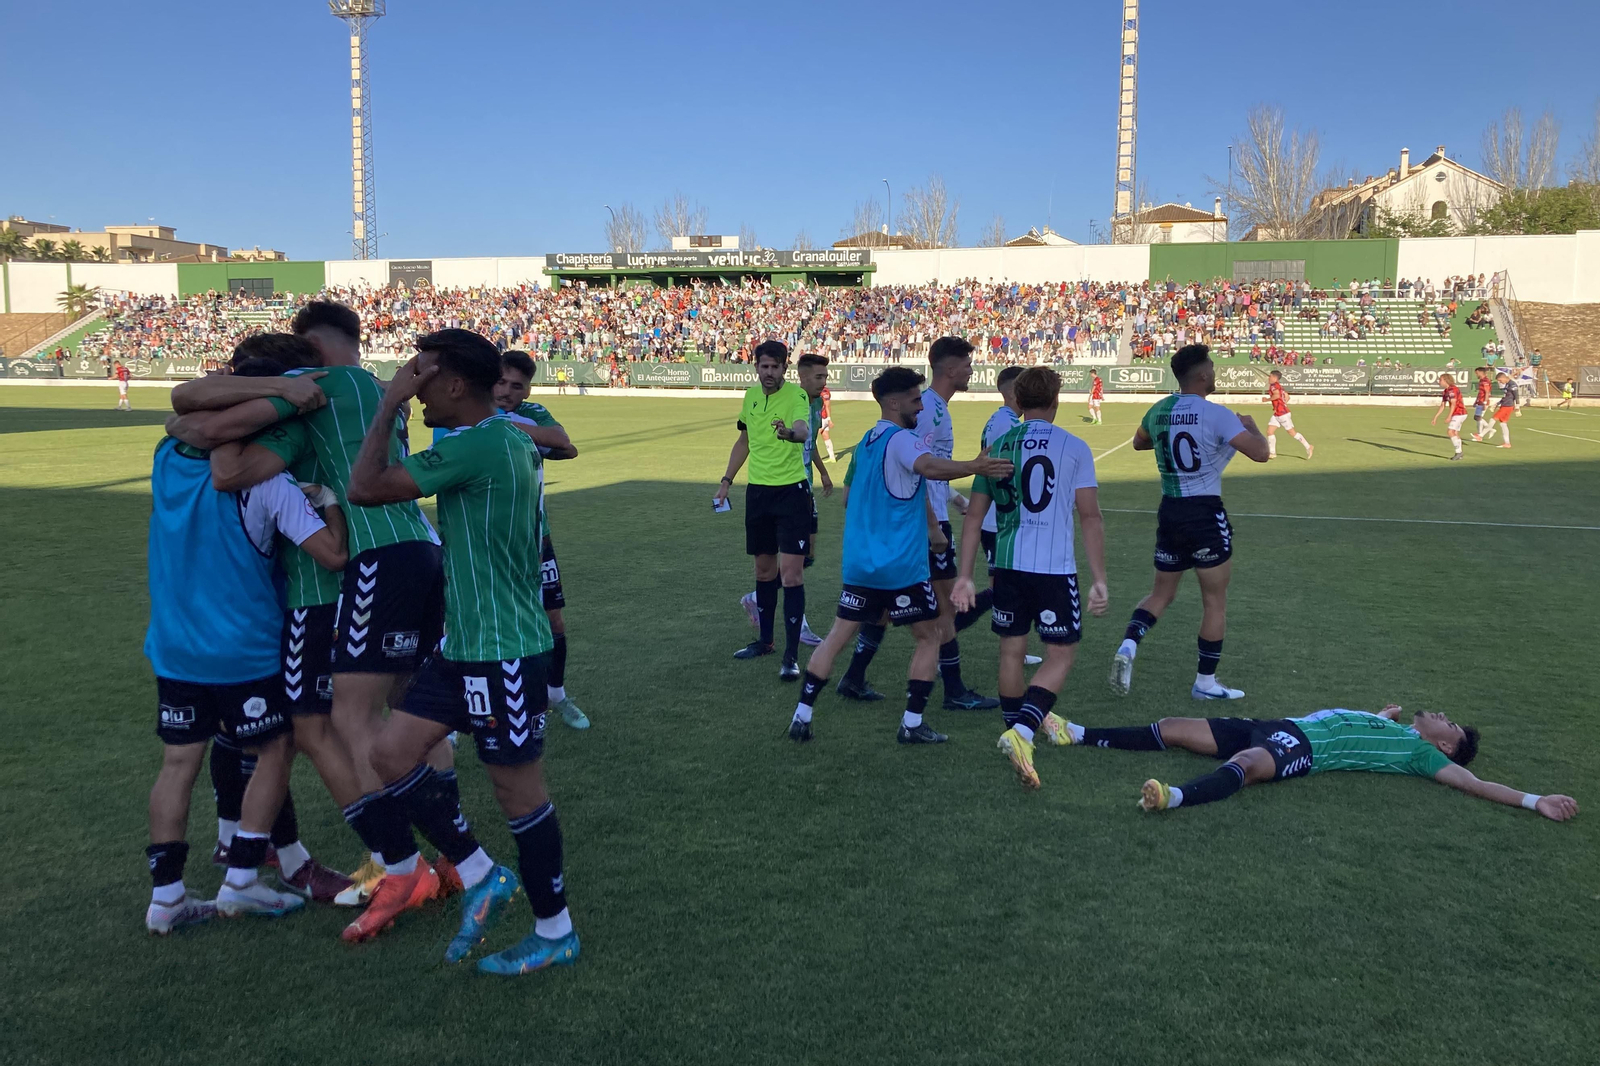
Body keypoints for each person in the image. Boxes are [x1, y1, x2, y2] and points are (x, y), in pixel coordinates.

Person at [163, 302, 485, 933]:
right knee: (412, 712)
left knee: (323, 726)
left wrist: (211, 414)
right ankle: (445, 854)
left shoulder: (320, 391)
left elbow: (221, 457)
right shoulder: (368, 393)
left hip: (336, 579)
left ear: (309, 347)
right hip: (420, 549)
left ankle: (398, 861)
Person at [345, 328, 580, 975]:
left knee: (518, 794)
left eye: (422, 376)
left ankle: (555, 930)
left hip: (503, 651)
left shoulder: (479, 444)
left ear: (452, 383)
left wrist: (387, 404)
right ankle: (481, 874)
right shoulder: (500, 437)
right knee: (390, 753)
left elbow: (364, 487)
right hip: (466, 646)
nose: (415, 388)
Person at [143, 366, 350, 933]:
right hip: (246, 647)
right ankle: (241, 882)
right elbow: (332, 554)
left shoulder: (166, 457)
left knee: (178, 763)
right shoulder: (269, 483)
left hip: (174, 645)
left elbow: (184, 412)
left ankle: (166, 899)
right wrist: (330, 500)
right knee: (276, 750)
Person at [785, 366, 1012, 745]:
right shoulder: (903, 441)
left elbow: (850, 495)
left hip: (860, 564)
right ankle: (911, 724)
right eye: (914, 399)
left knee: (837, 636)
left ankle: (802, 715)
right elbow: (928, 466)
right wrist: (972, 467)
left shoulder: (867, 441)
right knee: (930, 637)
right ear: (893, 402)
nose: (921, 406)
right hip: (900, 568)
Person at [951, 367, 1109, 789]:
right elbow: (1090, 516)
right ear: (1056, 400)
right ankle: (1022, 732)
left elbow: (974, 520)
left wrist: (965, 576)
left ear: (1017, 401)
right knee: (1060, 655)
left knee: (1011, 652)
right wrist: (1099, 577)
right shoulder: (1074, 446)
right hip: (1053, 567)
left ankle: (1015, 729)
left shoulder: (998, 445)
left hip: (1005, 563)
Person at [835, 336, 999, 710]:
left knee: (883, 606)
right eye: (968, 365)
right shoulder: (927, 411)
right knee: (944, 608)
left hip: (930, 516)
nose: (972, 371)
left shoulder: (934, 408)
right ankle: (954, 691)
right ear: (950, 369)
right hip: (924, 524)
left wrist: (955, 498)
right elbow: (916, 470)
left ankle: (853, 677)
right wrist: (931, 524)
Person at [1057, 705, 1577, 822]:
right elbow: (1359, 730)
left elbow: (1475, 783)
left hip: (1301, 750)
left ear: (1444, 747)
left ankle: (1172, 797)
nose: (1444, 716)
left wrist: (1536, 801)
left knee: (1246, 762)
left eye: (1452, 726)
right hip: (1282, 723)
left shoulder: (1420, 755)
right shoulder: (1399, 730)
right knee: (1173, 727)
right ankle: (1075, 734)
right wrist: (1381, 715)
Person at [1109, 344, 1269, 701]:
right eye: (1212, 366)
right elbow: (1261, 453)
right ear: (1201, 375)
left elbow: (1139, 443)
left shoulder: (1159, 409)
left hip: (1170, 511)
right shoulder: (1218, 414)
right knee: (1214, 601)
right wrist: (1254, 429)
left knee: (1160, 593)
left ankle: (1129, 644)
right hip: (1203, 513)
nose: (1215, 371)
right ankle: (1205, 683)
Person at [495, 352, 590, 729]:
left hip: (535, 536)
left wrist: (510, 425)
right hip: (484, 539)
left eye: (516, 386)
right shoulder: (468, 412)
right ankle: (455, 718)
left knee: (553, 621)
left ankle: (555, 695)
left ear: (527, 389)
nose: (505, 391)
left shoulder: (529, 413)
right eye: (500, 382)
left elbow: (566, 445)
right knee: (468, 623)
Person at [714, 340, 812, 680]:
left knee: (792, 574)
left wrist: (789, 434)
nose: (769, 372)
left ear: (785, 367)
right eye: (763, 366)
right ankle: (766, 641)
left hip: (791, 494)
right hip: (758, 494)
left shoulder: (796, 396)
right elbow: (744, 441)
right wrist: (727, 480)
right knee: (764, 571)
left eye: (775, 366)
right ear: (756, 367)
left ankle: (791, 654)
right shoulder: (751, 396)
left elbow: (802, 429)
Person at [740, 353, 831, 646]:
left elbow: (809, 440)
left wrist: (824, 473)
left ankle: (758, 597)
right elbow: (794, 435)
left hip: (802, 487)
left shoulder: (814, 403)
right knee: (793, 564)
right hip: (784, 487)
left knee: (807, 556)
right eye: (819, 377)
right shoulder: (789, 399)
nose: (824, 382)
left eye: (825, 376)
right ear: (801, 377)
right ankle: (798, 625)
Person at [1264, 371, 1312, 460]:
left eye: (1270, 376)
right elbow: (1287, 396)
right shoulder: (1279, 386)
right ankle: (1272, 453)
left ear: (1274, 378)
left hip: (1283, 414)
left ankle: (1308, 446)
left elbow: (1277, 395)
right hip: (1278, 413)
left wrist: (1267, 399)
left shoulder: (1274, 386)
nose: (1268, 378)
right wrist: (1281, 405)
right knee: (1270, 431)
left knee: (1292, 433)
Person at [1431, 372, 1469, 461]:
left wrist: (1449, 416)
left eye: (1440, 380)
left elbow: (1453, 404)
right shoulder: (1446, 391)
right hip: (1458, 414)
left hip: (1460, 413)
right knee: (1455, 433)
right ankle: (1459, 453)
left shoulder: (1453, 389)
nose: (1439, 381)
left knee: (1450, 431)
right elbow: (1442, 405)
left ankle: (1458, 452)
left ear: (1446, 380)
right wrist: (1435, 417)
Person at [1493, 371, 1516, 448]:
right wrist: (1498, 403)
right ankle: (1507, 443)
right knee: (1503, 424)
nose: (1500, 382)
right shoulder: (1507, 385)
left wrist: (1518, 406)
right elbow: (1505, 396)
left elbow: (1516, 395)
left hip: (1507, 406)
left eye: (1500, 380)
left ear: (1503, 377)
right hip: (1505, 405)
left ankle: (1481, 435)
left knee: (1493, 419)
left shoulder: (1512, 384)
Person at [1470, 366, 1494, 442]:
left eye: (1476, 373)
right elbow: (1481, 392)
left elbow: (1487, 392)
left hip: (1483, 401)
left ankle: (1481, 434)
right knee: (1477, 418)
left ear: (1480, 372)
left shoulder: (1485, 381)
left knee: (1478, 418)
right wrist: (1476, 401)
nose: (1476, 375)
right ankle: (1485, 432)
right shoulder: (1481, 380)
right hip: (1480, 401)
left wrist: (1485, 402)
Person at [817, 382, 836, 463]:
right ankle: (832, 457)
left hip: (821, 417)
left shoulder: (821, 392)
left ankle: (812, 458)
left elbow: (827, 405)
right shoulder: (826, 391)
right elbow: (828, 405)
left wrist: (829, 419)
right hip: (824, 418)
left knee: (813, 437)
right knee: (825, 436)